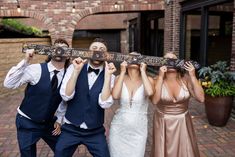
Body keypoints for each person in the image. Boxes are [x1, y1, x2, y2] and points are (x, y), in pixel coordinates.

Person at [3, 38, 70, 157]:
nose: (59, 50)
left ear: (68, 54)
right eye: (56, 47)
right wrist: (26, 61)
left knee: (64, 151)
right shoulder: (36, 69)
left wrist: (59, 120)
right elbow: (9, 84)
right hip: (27, 122)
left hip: (49, 123)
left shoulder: (69, 75)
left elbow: (64, 100)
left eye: (63, 48)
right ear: (50, 51)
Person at [55, 38, 116, 157]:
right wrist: (76, 72)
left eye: (102, 49)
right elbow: (66, 96)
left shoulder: (110, 75)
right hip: (71, 128)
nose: (98, 51)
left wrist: (108, 77)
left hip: (95, 131)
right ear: (88, 52)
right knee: (59, 153)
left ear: (106, 54)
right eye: (94, 49)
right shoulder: (74, 68)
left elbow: (104, 103)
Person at [151, 52, 205, 157]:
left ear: (179, 63)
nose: (171, 62)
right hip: (163, 122)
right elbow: (154, 101)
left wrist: (193, 76)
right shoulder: (156, 80)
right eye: (167, 60)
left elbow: (201, 98)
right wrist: (161, 77)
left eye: (174, 60)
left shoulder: (186, 79)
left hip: (183, 121)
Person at [109, 52, 154, 157]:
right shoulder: (119, 78)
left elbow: (150, 92)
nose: (134, 59)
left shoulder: (149, 80)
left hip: (139, 130)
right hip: (118, 128)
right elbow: (115, 96)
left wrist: (143, 71)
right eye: (130, 57)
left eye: (137, 57)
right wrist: (122, 71)